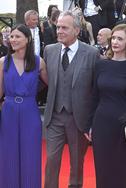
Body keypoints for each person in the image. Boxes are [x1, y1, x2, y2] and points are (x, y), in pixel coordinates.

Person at [43, 11, 99, 188]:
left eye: (64, 27)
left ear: (76, 30)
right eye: (58, 27)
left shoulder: (91, 53)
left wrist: (92, 120)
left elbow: (96, 88)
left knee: (77, 163)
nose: (59, 31)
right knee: (51, 159)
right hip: (54, 115)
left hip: (79, 118)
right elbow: (42, 81)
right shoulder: (49, 50)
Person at [88, 24, 126, 188]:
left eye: (120, 38)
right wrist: (88, 124)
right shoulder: (101, 65)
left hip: (122, 124)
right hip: (101, 123)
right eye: (113, 37)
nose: (115, 41)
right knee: (102, 170)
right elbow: (94, 96)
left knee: (120, 170)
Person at [0, 24, 48, 187]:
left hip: (30, 112)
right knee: (9, 154)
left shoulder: (38, 62)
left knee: (30, 154)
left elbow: (53, 86)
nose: (13, 39)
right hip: (9, 111)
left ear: (27, 39)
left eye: (17, 36)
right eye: (11, 36)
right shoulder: (3, 62)